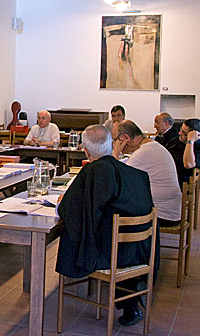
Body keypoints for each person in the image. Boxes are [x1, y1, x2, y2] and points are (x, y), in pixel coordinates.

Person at [56, 124, 156, 327]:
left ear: (85, 151)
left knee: (81, 234)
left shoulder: (92, 172)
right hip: (141, 250)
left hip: (111, 254)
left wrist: (62, 201)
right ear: (111, 144)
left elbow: (69, 211)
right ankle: (131, 299)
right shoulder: (136, 174)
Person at [113, 120, 182, 226]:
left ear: (126, 138)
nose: (115, 144)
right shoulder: (151, 145)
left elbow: (115, 177)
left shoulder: (143, 152)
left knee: (109, 209)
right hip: (170, 210)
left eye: (116, 140)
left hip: (163, 214)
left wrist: (115, 154)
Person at [165, 118, 200, 186]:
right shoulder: (175, 141)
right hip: (166, 174)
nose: (179, 133)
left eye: (184, 133)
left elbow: (188, 164)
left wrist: (190, 141)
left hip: (178, 181)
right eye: (180, 129)